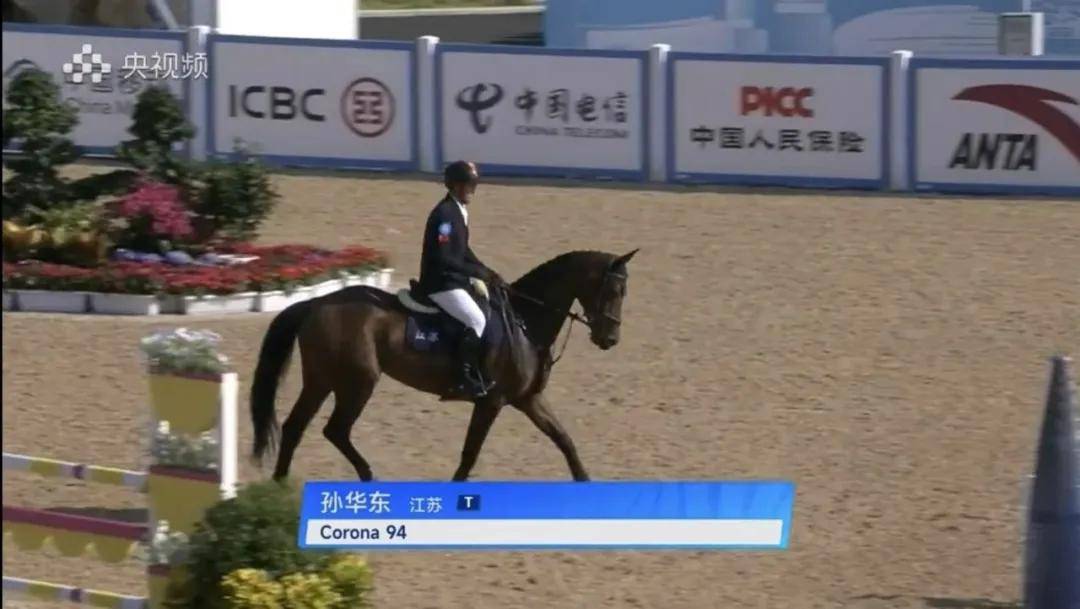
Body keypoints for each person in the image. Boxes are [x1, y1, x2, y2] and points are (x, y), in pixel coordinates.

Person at [417, 160, 505, 398]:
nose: (472, 190)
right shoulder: (445, 214)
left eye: (473, 185)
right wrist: (477, 273)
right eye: (468, 185)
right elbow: (444, 257)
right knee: (476, 320)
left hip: (455, 279)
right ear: (455, 186)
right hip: (441, 283)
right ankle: (462, 378)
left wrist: (487, 271)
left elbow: (463, 250)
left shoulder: (459, 210)